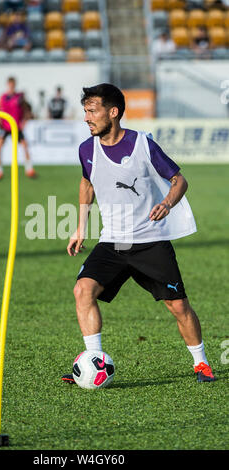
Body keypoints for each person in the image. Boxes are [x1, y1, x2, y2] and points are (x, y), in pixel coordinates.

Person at [62, 83, 216, 384]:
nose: (87, 118)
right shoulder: (86, 149)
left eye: (92, 111)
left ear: (113, 112)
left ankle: (201, 364)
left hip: (150, 241)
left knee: (179, 305)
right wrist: (81, 225)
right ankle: (94, 359)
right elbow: (87, 183)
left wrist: (167, 204)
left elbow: (179, 180)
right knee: (83, 291)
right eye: (85, 112)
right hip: (113, 241)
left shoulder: (144, 144)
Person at [0, 76, 37, 180]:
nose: (12, 87)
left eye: (13, 85)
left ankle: (29, 169)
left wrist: (25, 121)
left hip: (16, 126)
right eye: (10, 85)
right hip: (5, 126)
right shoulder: (3, 97)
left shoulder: (19, 97)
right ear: (7, 85)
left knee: (25, 146)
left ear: (15, 85)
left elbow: (27, 110)